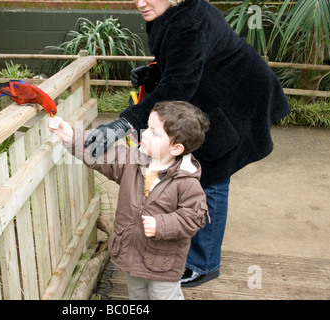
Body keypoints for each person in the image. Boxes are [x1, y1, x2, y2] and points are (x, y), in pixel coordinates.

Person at [84, 0, 291, 287]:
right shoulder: (168, 12)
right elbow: (188, 61)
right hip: (212, 95)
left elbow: (180, 84)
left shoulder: (191, 19)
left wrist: (125, 123)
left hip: (238, 99)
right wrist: (154, 73)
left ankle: (204, 264)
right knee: (203, 169)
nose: (140, 3)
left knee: (213, 172)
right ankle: (198, 252)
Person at [50, 101, 210, 299]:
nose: (144, 134)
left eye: (154, 132)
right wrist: (72, 136)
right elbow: (102, 154)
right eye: (147, 127)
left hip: (162, 264)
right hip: (131, 255)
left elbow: (194, 218)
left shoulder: (186, 181)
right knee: (136, 296)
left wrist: (162, 224)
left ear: (176, 148)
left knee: (164, 297)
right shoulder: (133, 160)